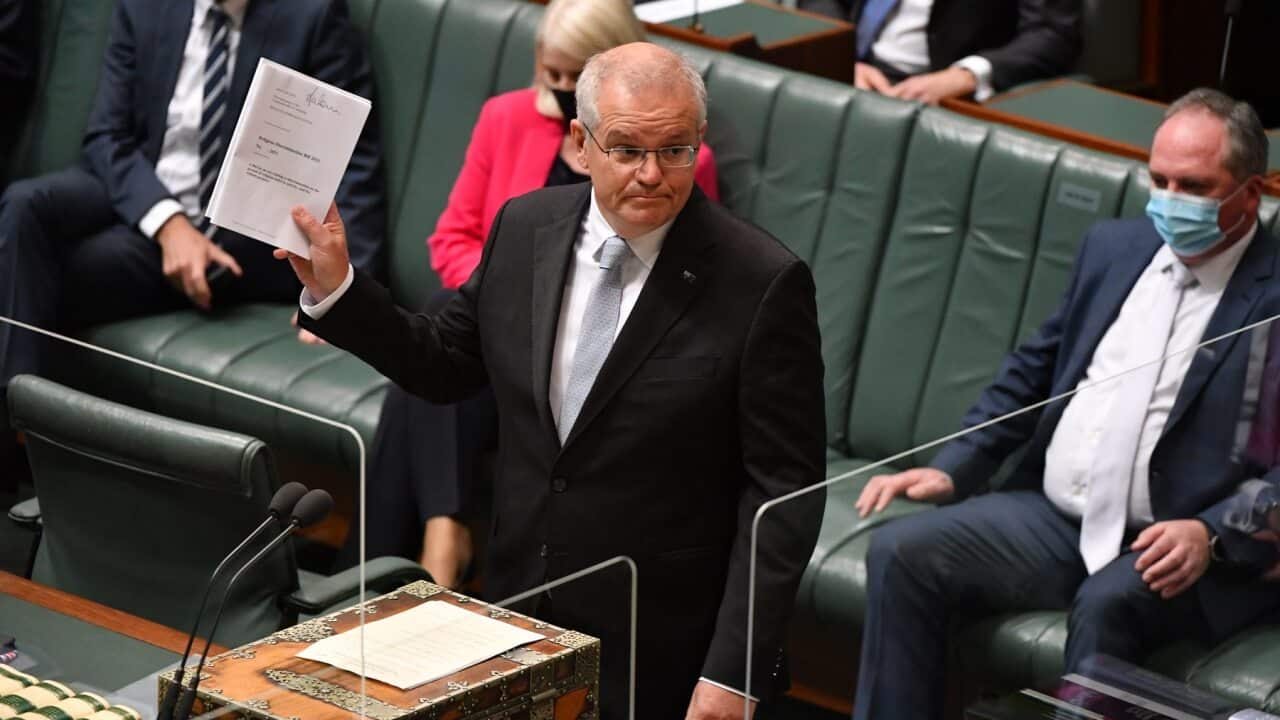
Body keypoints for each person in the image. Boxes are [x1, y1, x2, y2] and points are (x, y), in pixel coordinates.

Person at [283, 43, 824, 720]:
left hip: (666, 651)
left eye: (675, 150)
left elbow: (784, 494)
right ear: (581, 143)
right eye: (627, 149)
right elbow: (446, 362)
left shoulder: (761, 282)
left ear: (699, 143)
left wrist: (735, 670)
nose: (652, 174)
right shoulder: (526, 227)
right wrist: (339, 290)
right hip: (520, 612)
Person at [850, 88, 1280, 720]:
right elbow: (1036, 369)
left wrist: (1211, 534)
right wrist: (955, 464)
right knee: (903, 553)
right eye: (1157, 179)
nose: (1168, 201)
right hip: (1058, 521)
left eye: (1193, 186)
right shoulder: (1115, 247)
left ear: (1251, 193)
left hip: (1177, 546)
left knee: (1109, 604)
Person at [341, 0, 719, 588]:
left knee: (419, 380)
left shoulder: (672, 165)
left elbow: (679, 281)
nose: (566, 90)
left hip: (589, 360)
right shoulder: (506, 118)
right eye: (555, 75)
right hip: (493, 340)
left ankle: (381, 575)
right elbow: (452, 238)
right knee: (446, 338)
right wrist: (512, 299)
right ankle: (440, 536)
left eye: (578, 78)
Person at [0, 0, 385, 398]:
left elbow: (352, 157)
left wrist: (344, 294)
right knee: (24, 205)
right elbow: (106, 136)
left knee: (27, 274)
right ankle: (15, 420)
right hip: (146, 200)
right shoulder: (145, 7)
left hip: (236, 243)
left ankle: (17, 432)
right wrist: (169, 224)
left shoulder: (313, 15)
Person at [799, 0, 1081, 104]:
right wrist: (839, 57)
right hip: (855, 73)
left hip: (949, 93)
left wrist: (969, 75)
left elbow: (1052, 34)